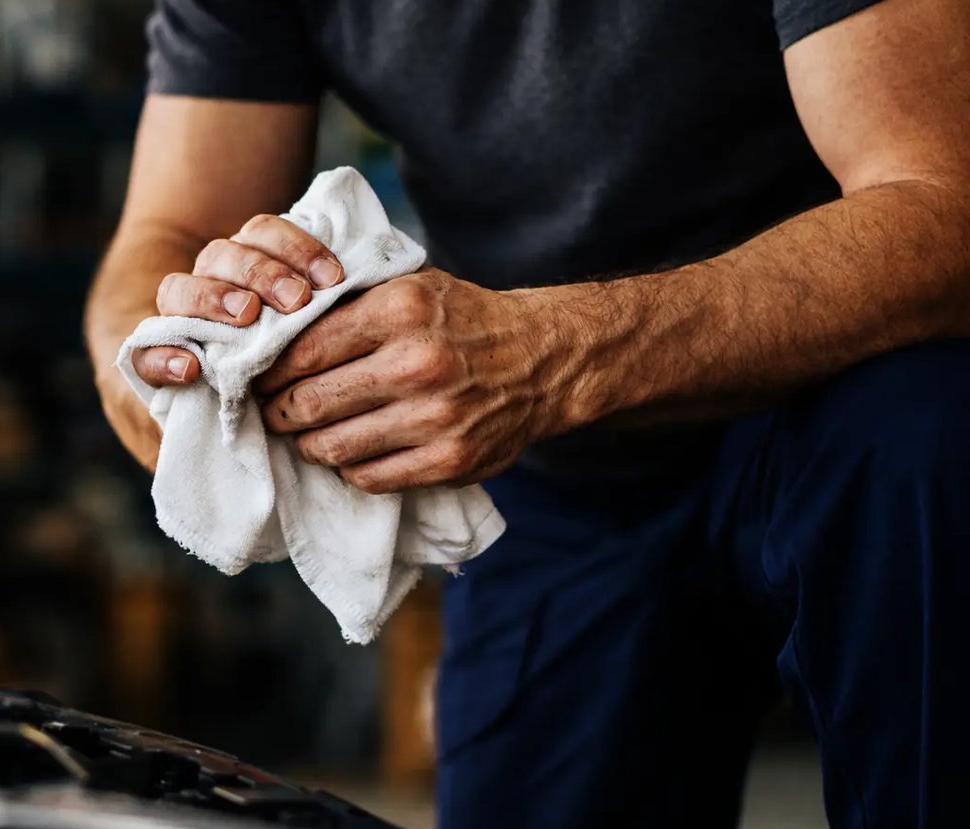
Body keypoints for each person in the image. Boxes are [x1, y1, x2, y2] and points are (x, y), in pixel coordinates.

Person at [82, 1, 970, 826]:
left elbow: (944, 202)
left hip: (832, 402)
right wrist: (205, 386)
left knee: (925, 434)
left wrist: (551, 356)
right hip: (550, 473)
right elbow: (162, 239)